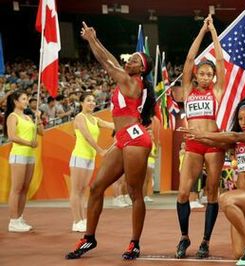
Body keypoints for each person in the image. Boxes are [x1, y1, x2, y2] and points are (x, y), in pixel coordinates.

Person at [65, 21, 155, 260]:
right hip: (123, 138)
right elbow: (113, 62)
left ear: (142, 70)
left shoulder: (132, 82)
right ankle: (89, 238)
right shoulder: (127, 78)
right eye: (131, 58)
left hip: (136, 139)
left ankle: (134, 243)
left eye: (136, 60)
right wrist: (94, 40)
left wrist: (92, 39)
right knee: (96, 188)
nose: (130, 61)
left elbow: (107, 63)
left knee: (135, 193)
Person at [179, 95, 245, 265]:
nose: (244, 122)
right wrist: (197, 138)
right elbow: (220, 142)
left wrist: (203, 133)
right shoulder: (237, 141)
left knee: (224, 198)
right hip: (241, 200)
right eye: (240, 118)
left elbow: (232, 136)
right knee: (238, 253)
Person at [175, 14, 225, 259]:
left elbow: (219, 59)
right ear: (196, 75)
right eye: (202, 74)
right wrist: (202, 32)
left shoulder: (216, 90)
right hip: (194, 145)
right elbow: (189, 59)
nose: (206, 77)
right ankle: (184, 237)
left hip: (214, 145)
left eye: (210, 74)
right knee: (183, 192)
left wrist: (214, 32)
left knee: (212, 192)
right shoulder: (187, 90)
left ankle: (205, 241)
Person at [69, 93, 114, 232]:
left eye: (94, 101)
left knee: (83, 191)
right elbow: (87, 136)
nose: (92, 103)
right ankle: (76, 221)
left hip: (90, 158)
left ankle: (82, 219)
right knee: (76, 190)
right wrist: (100, 150)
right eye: (88, 100)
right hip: (79, 156)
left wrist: (132, 119)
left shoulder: (95, 119)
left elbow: (112, 124)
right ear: (82, 103)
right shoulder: (79, 117)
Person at [5, 89, 43, 232]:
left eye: (27, 99)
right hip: (18, 155)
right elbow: (12, 136)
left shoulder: (28, 117)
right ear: (16, 101)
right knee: (17, 188)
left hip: (30, 156)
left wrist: (38, 119)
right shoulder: (12, 116)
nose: (27, 102)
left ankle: (19, 217)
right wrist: (28, 143)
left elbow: (41, 133)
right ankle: (13, 221)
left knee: (25, 189)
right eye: (24, 99)